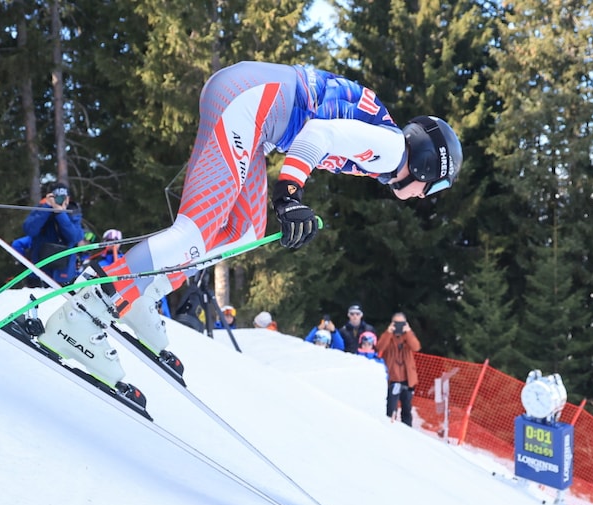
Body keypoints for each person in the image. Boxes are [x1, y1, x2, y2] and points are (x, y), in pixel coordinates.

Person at [35, 61, 462, 390]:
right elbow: (319, 135)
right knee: (196, 233)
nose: (426, 195)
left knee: (244, 230)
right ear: (425, 165)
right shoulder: (390, 149)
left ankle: (144, 294)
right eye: (434, 186)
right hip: (248, 101)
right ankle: (83, 316)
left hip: (251, 109)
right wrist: (289, 195)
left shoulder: (384, 142)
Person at [12, 181, 85, 286]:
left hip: (63, 274)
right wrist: (46, 207)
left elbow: (74, 237)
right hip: (39, 273)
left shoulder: (73, 213)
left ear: (68, 199)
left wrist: (61, 214)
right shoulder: (40, 209)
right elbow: (30, 230)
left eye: (63, 198)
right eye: (56, 197)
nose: (59, 201)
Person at [377, 312, 421, 426]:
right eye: (396, 323)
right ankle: (390, 430)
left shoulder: (408, 336)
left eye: (401, 323)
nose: (399, 326)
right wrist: (388, 332)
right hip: (393, 378)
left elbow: (416, 347)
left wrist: (408, 332)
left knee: (407, 409)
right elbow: (380, 347)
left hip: (407, 379)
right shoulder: (388, 336)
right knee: (391, 409)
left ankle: (408, 432)